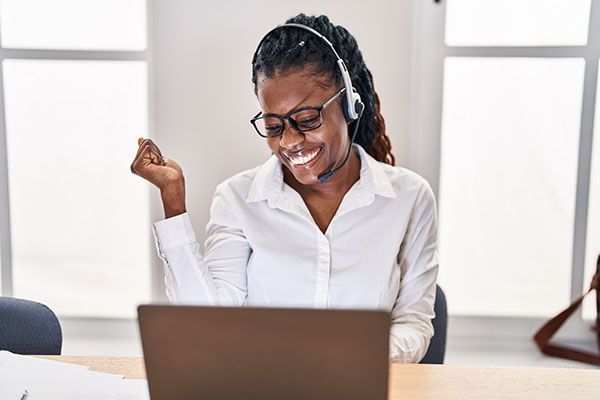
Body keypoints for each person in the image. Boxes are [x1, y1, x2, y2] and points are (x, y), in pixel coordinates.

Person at [130, 14, 439, 363]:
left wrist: (357, 361)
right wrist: (173, 200)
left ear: (350, 104)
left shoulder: (410, 198)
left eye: (307, 120)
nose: (290, 142)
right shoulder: (237, 199)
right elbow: (206, 320)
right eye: (274, 126)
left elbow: (413, 322)